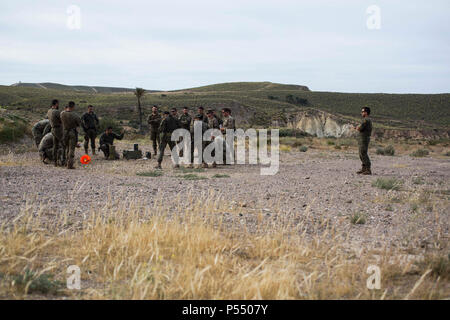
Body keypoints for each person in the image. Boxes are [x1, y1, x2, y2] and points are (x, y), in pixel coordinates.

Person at [60, 101, 81, 169]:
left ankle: (65, 162)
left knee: (66, 148)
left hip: (64, 132)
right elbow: (79, 124)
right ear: (73, 106)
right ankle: (70, 164)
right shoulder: (75, 115)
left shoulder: (62, 113)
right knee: (71, 149)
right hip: (72, 132)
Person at [354, 106, 373, 175]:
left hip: (364, 139)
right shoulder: (366, 120)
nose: (361, 113)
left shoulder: (366, 120)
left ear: (366, 112)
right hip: (362, 139)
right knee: (361, 154)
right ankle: (364, 169)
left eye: (363, 112)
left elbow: (360, 128)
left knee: (363, 154)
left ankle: (368, 169)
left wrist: (357, 127)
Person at [47, 99, 65, 167]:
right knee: (64, 144)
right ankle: (63, 161)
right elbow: (62, 120)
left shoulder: (49, 111)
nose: (58, 105)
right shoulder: (56, 112)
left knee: (55, 145)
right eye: (58, 103)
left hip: (52, 129)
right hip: (58, 129)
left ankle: (55, 161)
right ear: (56, 104)